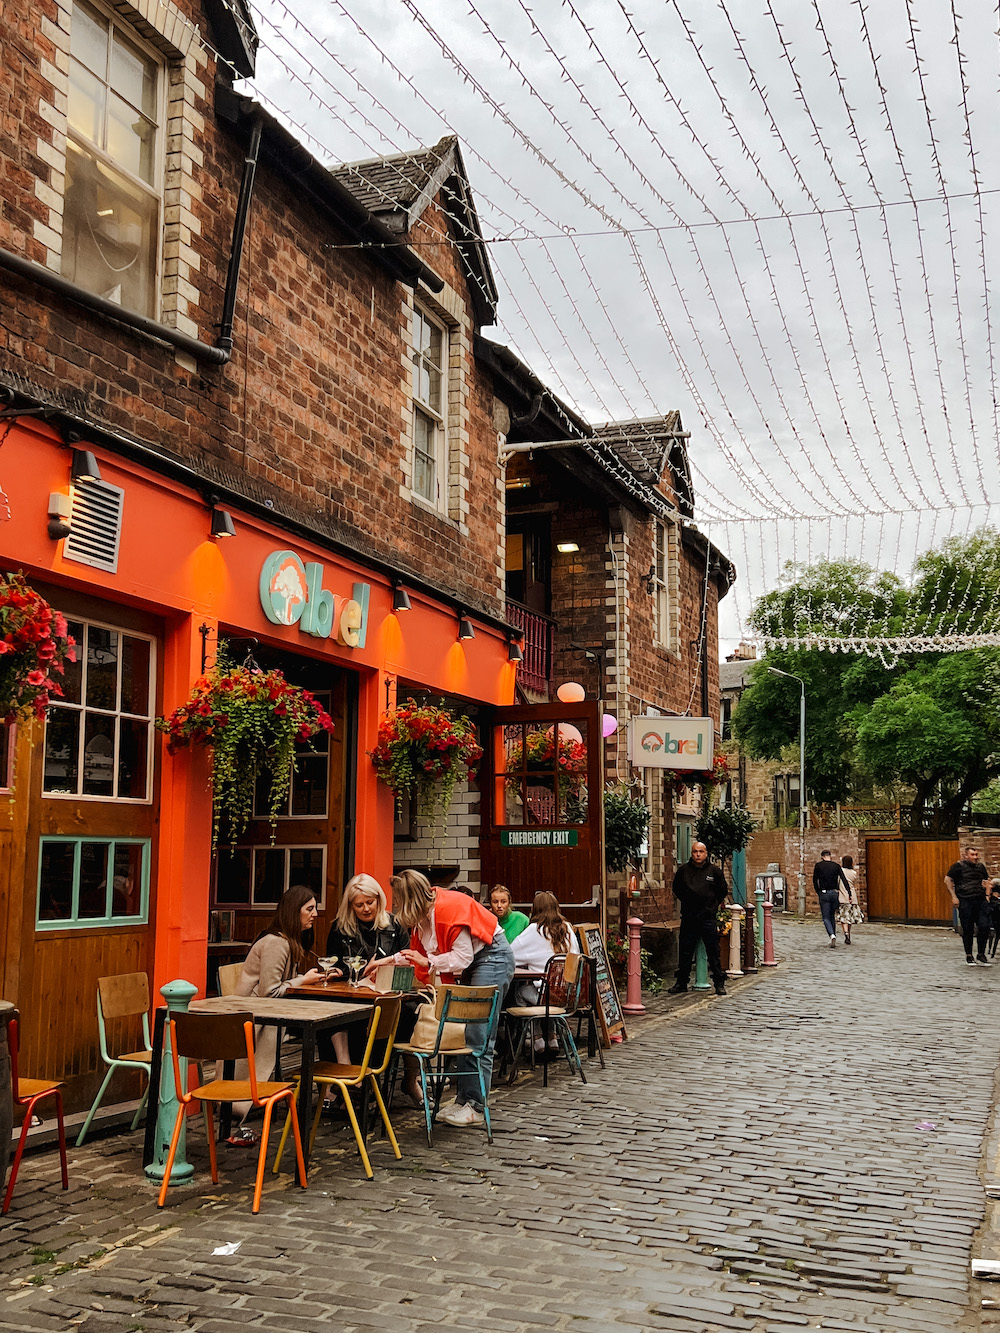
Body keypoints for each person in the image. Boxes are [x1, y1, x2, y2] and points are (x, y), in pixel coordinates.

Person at [390, 868, 515, 1128]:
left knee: (478, 1033)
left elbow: (462, 957)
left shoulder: (447, 911)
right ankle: (464, 1100)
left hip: (492, 957)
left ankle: (475, 1105)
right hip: (481, 960)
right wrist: (383, 961)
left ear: (410, 901)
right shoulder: (428, 913)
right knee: (464, 1031)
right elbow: (414, 954)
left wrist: (429, 961)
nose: (396, 908)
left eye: (399, 902)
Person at [229, 885, 324, 1143]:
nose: (315, 914)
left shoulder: (286, 942)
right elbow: (269, 993)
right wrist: (303, 980)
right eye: (309, 909)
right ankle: (242, 1108)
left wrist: (304, 980)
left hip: (261, 1016)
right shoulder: (276, 943)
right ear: (294, 912)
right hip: (253, 1019)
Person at [321, 873, 423, 1104]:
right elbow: (334, 963)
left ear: (379, 899)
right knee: (331, 1014)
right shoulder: (340, 928)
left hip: (388, 993)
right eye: (359, 905)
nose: (366, 909)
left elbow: (407, 962)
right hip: (353, 992)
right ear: (350, 905)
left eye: (370, 902)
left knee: (408, 1014)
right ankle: (344, 1076)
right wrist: (343, 972)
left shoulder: (394, 925)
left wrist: (385, 965)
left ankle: (403, 1079)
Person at [511, 891, 580, 1056]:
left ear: (535, 909)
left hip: (546, 997)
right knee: (547, 997)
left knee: (521, 993)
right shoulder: (568, 929)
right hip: (570, 996)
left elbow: (510, 955)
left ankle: (536, 1037)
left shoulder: (534, 930)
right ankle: (552, 1037)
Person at [668, 841, 729, 996]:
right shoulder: (683, 871)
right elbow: (677, 889)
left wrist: (711, 905)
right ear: (691, 853)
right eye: (695, 851)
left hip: (707, 917)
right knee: (685, 952)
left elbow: (722, 891)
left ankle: (719, 983)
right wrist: (688, 901)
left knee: (713, 952)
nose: (698, 854)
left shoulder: (714, 871)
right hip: (689, 916)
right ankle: (682, 982)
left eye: (701, 851)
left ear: (706, 853)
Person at [944, 845, 992, 967]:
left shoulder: (980, 867)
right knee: (968, 928)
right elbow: (947, 880)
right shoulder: (958, 867)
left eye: (976, 855)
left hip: (980, 900)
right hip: (965, 900)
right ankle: (969, 955)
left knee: (984, 926)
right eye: (973, 855)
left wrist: (987, 895)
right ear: (966, 855)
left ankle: (981, 954)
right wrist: (954, 896)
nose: (975, 857)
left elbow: (986, 881)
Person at [813, 850, 850, 948]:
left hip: (824, 892)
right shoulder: (836, 866)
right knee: (832, 916)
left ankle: (831, 935)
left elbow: (815, 880)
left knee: (825, 917)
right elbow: (843, 879)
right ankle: (833, 935)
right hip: (834, 893)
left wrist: (818, 891)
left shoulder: (818, 866)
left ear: (822, 857)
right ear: (830, 856)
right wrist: (848, 892)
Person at [837, 855, 863, 945]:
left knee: (844, 917)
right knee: (850, 917)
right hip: (852, 897)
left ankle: (846, 933)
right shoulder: (853, 873)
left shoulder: (841, 871)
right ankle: (849, 933)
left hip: (843, 896)